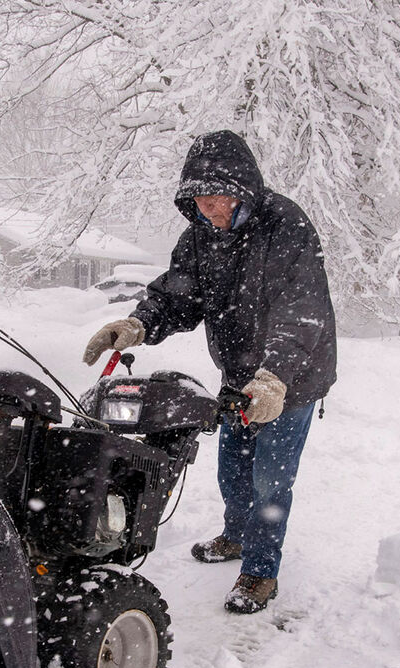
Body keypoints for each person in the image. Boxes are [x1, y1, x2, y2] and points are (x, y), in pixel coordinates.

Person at [82, 130, 337, 614]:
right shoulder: (200, 238)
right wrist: (137, 323)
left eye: (219, 199)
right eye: (201, 202)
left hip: (292, 378)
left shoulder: (285, 226)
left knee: (270, 479)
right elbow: (177, 294)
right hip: (239, 372)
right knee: (233, 467)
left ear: (243, 188)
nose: (213, 212)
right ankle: (237, 536)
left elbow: (300, 310)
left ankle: (261, 571)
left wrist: (274, 376)